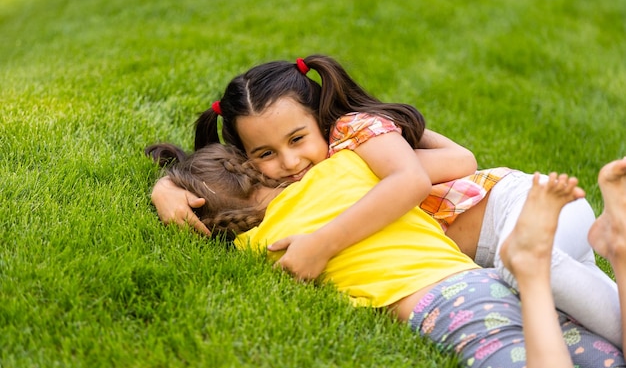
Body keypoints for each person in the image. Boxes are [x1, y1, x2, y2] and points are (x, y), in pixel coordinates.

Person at [149, 54, 621, 347]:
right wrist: (167, 186)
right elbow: (218, 178)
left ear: (319, 118)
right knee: (587, 318)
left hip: (516, 214)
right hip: (508, 235)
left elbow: (412, 182)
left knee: (532, 272)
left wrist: (323, 244)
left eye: (297, 138)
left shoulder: (352, 135)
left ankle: (612, 238)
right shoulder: (326, 172)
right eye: (265, 154)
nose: (290, 162)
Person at [150, 142, 624, 367]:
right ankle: (614, 249)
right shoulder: (348, 167)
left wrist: (167, 185)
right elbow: (458, 160)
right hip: (477, 272)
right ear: (258, 169)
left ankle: (536, 264)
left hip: (445, 307)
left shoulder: (259, 245)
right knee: (608, 349)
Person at [499, 157, 626, 367]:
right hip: (548, 206)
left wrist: (422, 128)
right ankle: (619, 245)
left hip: (528, 200)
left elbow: (462, 160)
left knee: (517, 262)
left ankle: (532, 265)